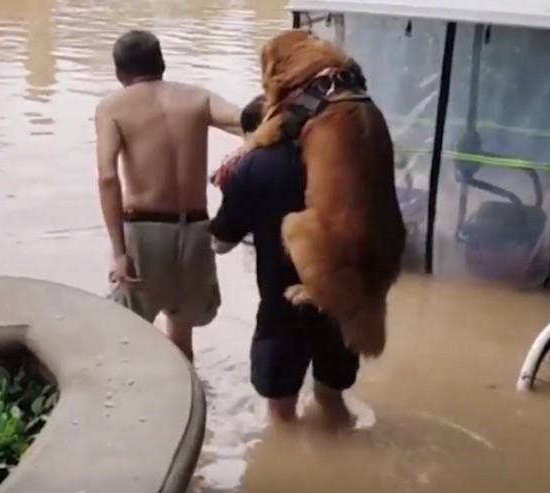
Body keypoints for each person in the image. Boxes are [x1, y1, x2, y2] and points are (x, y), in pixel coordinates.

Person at [210, 96, 360, 428]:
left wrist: (234, 191)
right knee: (332, 400)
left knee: (281, 414)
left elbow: (220, 244)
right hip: (340, 301)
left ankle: (288, 469)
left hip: (282, 307)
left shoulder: (252, 167)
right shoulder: (346, 160)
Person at [95, 29, 244, 362]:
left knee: (123, 338)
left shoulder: (112, 108)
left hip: (145, 233)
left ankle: (143, 408)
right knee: (181, 340)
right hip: (195, 232)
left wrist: (119, 252)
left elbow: (107, 178)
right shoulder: (198, 99)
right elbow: (254, 123)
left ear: (120, 73)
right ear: (162, 63)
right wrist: (240, 155)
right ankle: (191, 406)